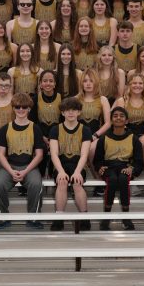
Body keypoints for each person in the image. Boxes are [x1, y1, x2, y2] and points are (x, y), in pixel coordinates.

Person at [0, 93, 45, 230]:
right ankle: (3, 217)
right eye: (17, 107)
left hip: (29, 166)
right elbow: (1, 154)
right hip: (10, 166)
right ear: (13, 108)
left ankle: (33, 218)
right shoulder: (5, 128)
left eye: (24, 107)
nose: (21, 109)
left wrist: (25, 171)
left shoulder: (35, 128)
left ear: (29, 109)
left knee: (36, 184)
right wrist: (11, 171)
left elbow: (39, 155)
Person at [93, 107, 143, 231]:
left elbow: (139, 161)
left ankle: (126, 217)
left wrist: (132, 169)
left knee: (123, 179)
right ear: (111, 120)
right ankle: (106, 218)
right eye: (115, 116)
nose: (118, 118)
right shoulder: (104, 138)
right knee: (113, 180)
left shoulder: (133, 138)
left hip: (125, 167)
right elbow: (97, 160)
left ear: (126, 120)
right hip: (109, 167)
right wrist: (99, 167)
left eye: (121, 116)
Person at [49, 96, 92, 231]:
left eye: (74, 110)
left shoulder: (85, 129)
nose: (71, 113)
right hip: (60, 164)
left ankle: (85, 218)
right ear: (62, 112)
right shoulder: (55, 129)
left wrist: (78, 171)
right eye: (67, 110)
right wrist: (61, 171)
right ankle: (59, 219)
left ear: (79, 112)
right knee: (62, 182)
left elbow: (84, 154)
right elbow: (54, 154)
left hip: (78, 164)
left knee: (77, 182)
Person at [113, 73, 144, 182]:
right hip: (126, 131)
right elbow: (117, 122)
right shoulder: (121, 101)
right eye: (134, 83)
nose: (137, 85)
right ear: (129, 85)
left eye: (140, 83)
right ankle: (127, 180)